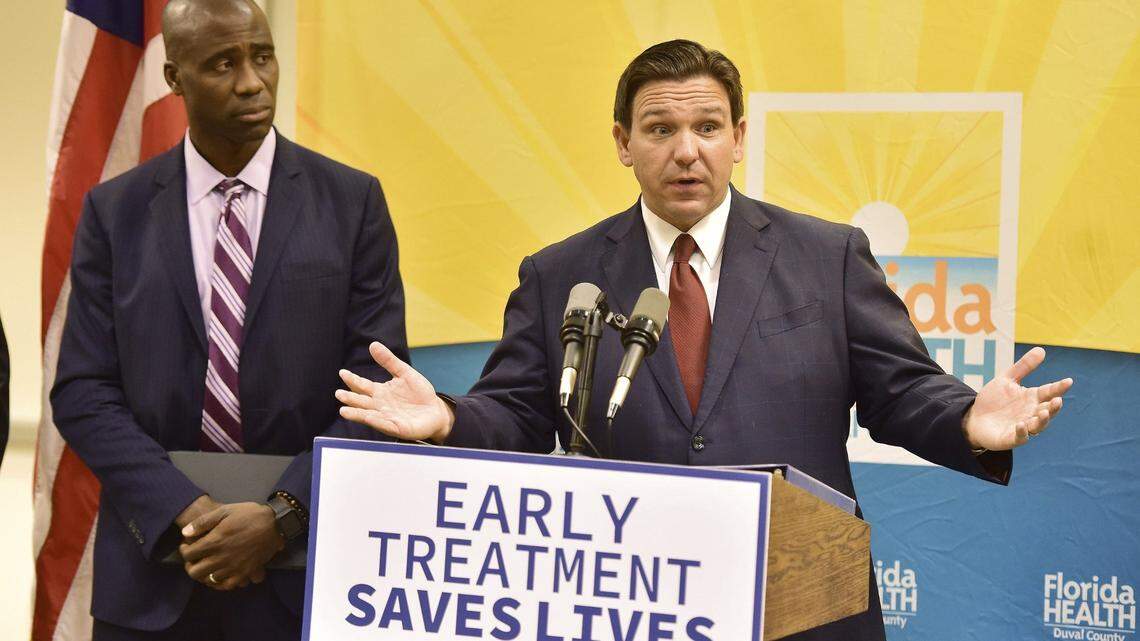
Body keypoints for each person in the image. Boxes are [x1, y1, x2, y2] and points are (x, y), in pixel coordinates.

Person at [336, 40, 1071, 640]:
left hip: (803, 598)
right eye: (660, 130)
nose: (687, 151)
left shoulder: (827, 256)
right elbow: (522, 411)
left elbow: (901, 390)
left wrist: (969, 418)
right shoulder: (563, 273)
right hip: (631, 603)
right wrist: (448, 420)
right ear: (624, 143)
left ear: (740, 138)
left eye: (708, 128)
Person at [49, 0, 408, 638]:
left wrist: (282, 516)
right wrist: (185, 511)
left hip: (303, 579)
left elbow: (375, 390)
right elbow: (82, 390)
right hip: (153, 575)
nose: (251, 81)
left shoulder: (352, 203)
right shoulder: (116, 212)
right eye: (221, 63)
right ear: (173, 79)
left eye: (261, 56)